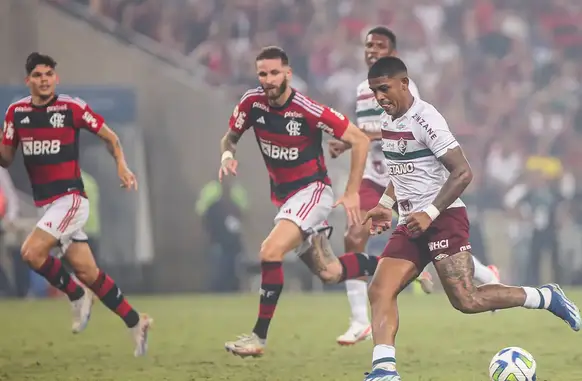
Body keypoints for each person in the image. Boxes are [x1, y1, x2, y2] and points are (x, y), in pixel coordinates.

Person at [361, 56, 581, 381]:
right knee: (380, 289)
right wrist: (384, 203)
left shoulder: (426, 120)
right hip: (411, 223)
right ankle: (384, 371)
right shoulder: (390, 121)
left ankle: (544, 296)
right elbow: (402, 171)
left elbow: (463, 172)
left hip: (444, 218)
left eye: (384, 89)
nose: (379, 97)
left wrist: (430, 212)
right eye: (374, 91)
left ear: (404, 83)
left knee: (467, 299)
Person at [328, 26, 498, 346]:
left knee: (461, 294)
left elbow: (409, 130)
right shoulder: (364, 90)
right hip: (380, 175)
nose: (372, 50)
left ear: (393, 54)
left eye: (380, 45)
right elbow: (381, 130)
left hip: (413, 181)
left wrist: (354, 138)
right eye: (368, 45)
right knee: (355, 237)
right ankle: (360, 323)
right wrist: (352, 143)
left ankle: (485, 276)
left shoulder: (407, 93)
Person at [219, 46, 380, 358]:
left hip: (313, 193)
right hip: (288, 200)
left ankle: (258, 338)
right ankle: (399, 264)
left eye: (274, 73)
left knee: (270, 250)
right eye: (262, 74)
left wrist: (352, 191)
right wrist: (227, 155)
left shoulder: (307, 109)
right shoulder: (252, 103)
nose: (268, 80)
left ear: (288, 73)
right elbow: (230, 137)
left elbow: (359, 139)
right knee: (331, 273)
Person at [0, 52, 152, 356]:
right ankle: (137, 321)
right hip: (48, 205)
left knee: (31, 253)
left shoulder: (72, 108)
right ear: (28, 80)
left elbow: (111, 137)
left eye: (49, 74)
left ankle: (74, 294)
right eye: (38, 75)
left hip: (70, 199)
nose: (44, 79)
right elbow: (5, 158)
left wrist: (121, 165)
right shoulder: (16, 113)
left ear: (56, 78)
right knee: (89, 272)